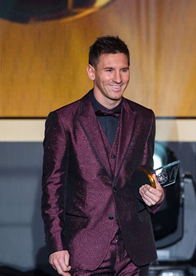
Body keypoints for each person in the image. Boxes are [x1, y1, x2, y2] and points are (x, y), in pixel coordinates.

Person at [41, 36, 165, 275]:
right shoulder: (64, 120)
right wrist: (56, 245)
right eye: (109, 70)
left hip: (134, 250)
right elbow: (52, 186)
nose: (118, 79)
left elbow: (144, 176)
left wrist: (158, 197)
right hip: (84, 248)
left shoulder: (144, 117)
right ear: (91, 71)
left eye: (124, 70)